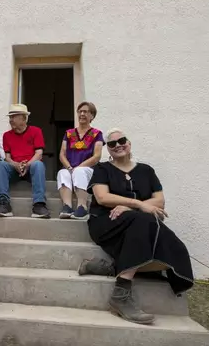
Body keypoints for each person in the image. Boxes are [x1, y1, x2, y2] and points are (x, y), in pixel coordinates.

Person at [80, 128, 194, 325]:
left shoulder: (146, 170)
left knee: (176, 248)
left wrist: (129, 206)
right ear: (108, 149)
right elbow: (102, 197)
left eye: (121, 140)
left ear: (129, 143)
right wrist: (139, 204)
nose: (118, 145)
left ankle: (110, 267)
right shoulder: (102, 169)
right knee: (144, 219)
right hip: (106, 223)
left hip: (139, 225)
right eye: (112, 144)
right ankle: (121, 294)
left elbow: (160, 201)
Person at [0, 104, 50, 218]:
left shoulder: (36, 131)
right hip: (14, 169)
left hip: (31, 169)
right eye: (10, 117)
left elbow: (39, 153)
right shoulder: (7, 135)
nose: (10, 120)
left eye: (14, 117)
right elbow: (7, 157)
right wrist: (16, 165)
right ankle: (4, 203)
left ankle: (39, 204)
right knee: (2, 164)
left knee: (38, 164)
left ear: (24, 118)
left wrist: (28, 164)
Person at [57, 101, 104, 220]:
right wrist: (69, 167)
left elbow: (96, 156)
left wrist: (79, 167)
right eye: (80, 111)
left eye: (86, 112)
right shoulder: (69, 133)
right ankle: (67, 206)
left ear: (92, 116)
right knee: (62, 173)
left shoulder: (97, 134)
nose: (82, 114)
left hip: (88, 169)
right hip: (71, 168)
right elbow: (62, 154)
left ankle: (82, 207)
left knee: (79, 172)